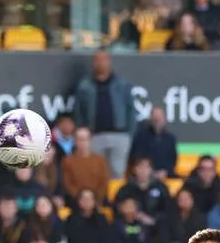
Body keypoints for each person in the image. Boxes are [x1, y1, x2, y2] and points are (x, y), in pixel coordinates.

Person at [72, 50, 136, 179]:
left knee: (117, 173)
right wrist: (85, 134)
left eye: (104, 60)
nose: (101, 63)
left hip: (119, 135)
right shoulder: (85, 86)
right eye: (97, 60)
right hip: (95, 135)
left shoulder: (121, 84)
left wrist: (129, 135)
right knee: (96, 174)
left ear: (109, 62)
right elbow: (78, 112)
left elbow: (131, 110)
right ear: (93, 63)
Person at [62, 128, 111, 204]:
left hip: (97, 201)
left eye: (85, 139)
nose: (82, 143)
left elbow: (104, 182)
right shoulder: (68, 161)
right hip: (75, 202)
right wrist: (81, 199)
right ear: (75, 141)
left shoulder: (100, 160)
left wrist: (94, 199)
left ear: (90, 140)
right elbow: (68, 184)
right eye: (79, 139)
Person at [129, 109, 178, 179]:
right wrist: (149, 171)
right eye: (155, 118)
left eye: (160, 118)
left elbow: (172, 160)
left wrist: (165, 172)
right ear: (151, 119)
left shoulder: (170, 139)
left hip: (165, 174)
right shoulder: (141, 137)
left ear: (164, 119)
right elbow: (136, 158)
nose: (157, 121)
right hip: (144, 174)